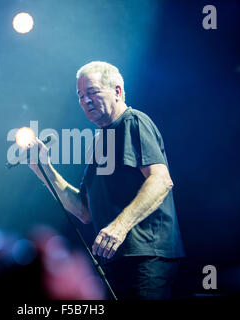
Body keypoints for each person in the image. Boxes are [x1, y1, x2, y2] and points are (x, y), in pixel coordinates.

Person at [26, 61, 185, 300]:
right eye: (80, 96)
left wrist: (119, 227)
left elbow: (161, 180)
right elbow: (84, 210)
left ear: (117, 90)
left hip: (145, 256)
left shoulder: (133, 122)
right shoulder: (99, 142)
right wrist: (43, 169)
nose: (85, 101)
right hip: (114, 261)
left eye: (92, 92)